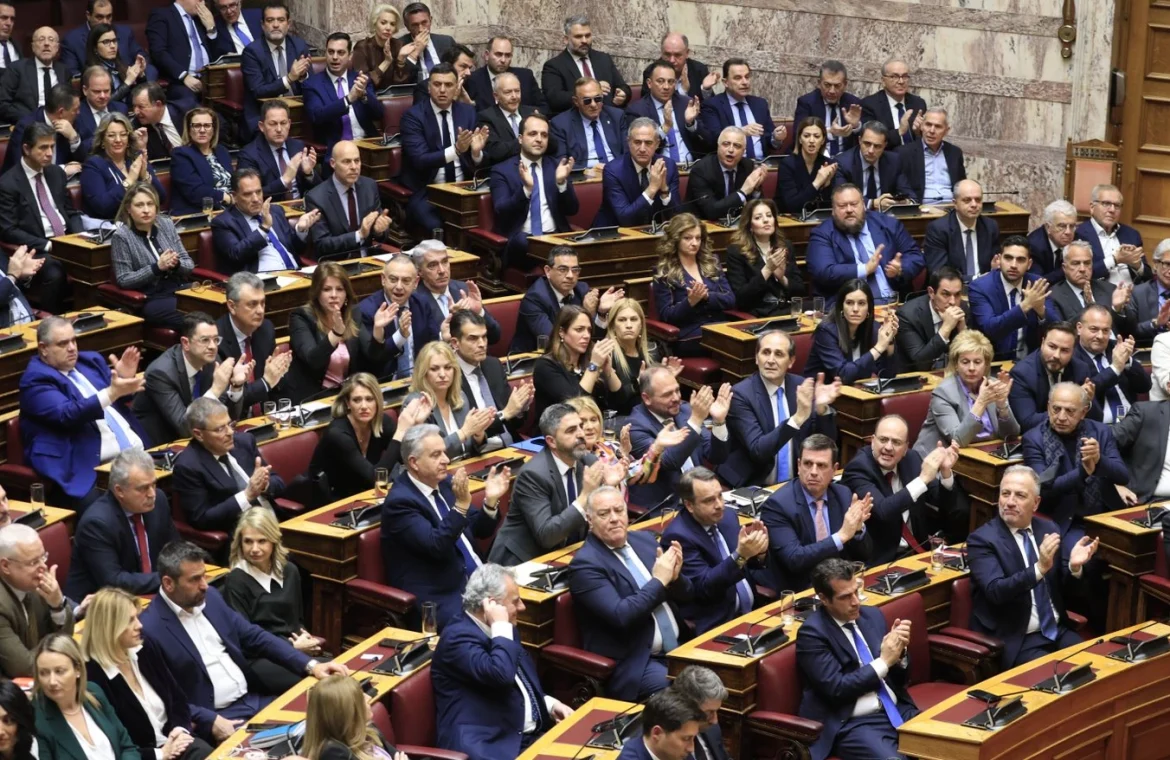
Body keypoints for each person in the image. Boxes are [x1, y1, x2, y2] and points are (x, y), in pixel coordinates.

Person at [141, 541, 348, 739]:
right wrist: (210, 720)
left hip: (254, 698)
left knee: (330, 718)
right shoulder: (150, 629)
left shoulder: (211, 598)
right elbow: (162, 697)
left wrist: (311, 665)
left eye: (204, 576)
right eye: (195, 580)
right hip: (220, 717)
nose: (204, 585)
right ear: (168, 583)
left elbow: (255, 636)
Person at [432, 564, 572, 757]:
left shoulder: (504, 630)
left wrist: (550, 705)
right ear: (491, 605)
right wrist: (500, 625)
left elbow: (519, 681)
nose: (522, 607)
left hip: (523, 735)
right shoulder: (458, 639)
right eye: (515, 601)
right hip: (489, 745)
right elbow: (501, 675)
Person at [568, 486, 693, 701]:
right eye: (604, 514)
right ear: (589, 520)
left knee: (716, 682)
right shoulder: (585, 565)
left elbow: (688, 594)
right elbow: (622, 615)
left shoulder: (645, 541)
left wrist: (675, 578)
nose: (614, 518)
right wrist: (659, 581)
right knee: (683, 696)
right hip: (638, 661)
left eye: (619, 510)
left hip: (679, 647)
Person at [967, 466, 1099, 668]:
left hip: (1057, 630)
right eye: (1005, 494)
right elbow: (996, 591)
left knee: (1095, 668)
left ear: (1036, 503)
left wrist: (1074, 568)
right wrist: (1039, 569)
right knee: (1055, 678)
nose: (1010, 502)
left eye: (1020, 495)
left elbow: (1065, 592)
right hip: (1018, 638)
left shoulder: (1048, 529)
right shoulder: (982, 540)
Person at [380, 425, 507, 626]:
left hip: (480, 581)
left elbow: (480, 530)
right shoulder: (400, 503)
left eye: (444, 453)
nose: (446, 460)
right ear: (414, 462)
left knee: (519, 606)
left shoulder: (446, 483)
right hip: (442, 595)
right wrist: (461, 506)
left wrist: (490, 502)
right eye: (436, 455)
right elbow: (437, 545)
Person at [796, 558, 919, 760]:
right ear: (824, 599)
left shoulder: (872, 616)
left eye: (856, 591)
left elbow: (900, 681)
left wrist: (899, 654)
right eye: (845, 597)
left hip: (898, 709)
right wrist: (884, 662)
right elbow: (837, 689)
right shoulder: (812, 634)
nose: (856, 601)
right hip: (854, 723)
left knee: (948, 746)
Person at [19, 317, 145, 509]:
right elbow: (67, 414)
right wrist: (112, 392)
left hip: (134, 454)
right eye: (63, 343)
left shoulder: (90, 361)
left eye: (73, 340)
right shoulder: (35, 380)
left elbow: (116, 400)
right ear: (43, 348)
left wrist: (124, 379)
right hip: (85, 467)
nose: (72, 348)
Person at [81, 588, 212, 760]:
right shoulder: (92, 678)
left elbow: (177, 699)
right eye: (130, 620)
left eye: (137, 617)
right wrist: (160, 754)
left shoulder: (144, 648)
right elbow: (114, 745)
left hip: (177, 743)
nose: (139, 625)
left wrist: (179, 730)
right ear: (109, 627)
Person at [720, 330, 840, 488]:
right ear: (756, 358)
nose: (770, 360)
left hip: (796, 484)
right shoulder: (741, 394)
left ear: (791, 361)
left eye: (778, 354)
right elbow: (758, 451)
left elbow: (826, 446)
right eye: (765, 352)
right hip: (752, 484)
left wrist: (821, 409)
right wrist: (797, 419)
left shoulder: (801, 387)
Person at [660, 468, 768, 635]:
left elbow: (743, 564)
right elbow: (705, 587)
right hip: (717, 622)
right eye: (709, 500)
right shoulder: (678, 536)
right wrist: (741, 555)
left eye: (720, 496)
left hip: (753, 614)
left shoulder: (728, 516)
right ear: (689, 505)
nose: (719, 505)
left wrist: (758, 553)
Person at [486, 403, 597, 565]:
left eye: (580, 426)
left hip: (566, 554)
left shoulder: (588, 462)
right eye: (571, 430)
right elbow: (547, 535)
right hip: (522, 562)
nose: (581, 433)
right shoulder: (533, 475)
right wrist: (585, 496)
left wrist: (610, 485)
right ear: (551, 441)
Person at [761, 433, 873, 591]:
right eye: (808, 464)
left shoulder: (843, 495)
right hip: (801, 589)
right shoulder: (778, 505)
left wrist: (858, 530)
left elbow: (865, 555)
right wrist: (841, 536)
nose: (813, 472)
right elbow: (794, 559)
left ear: (834, 470)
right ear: (799, 466)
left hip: (841, 585)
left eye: (821, 465)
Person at [64, 447, 179, 601]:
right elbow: (114, 581)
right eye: (143, 488)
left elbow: (174, 547)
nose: (152, 494)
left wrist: (186, 568)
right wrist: (169, 578)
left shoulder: (159, 501)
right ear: (119, 491)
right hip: (103, 604)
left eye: (153, 484)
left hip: (146, 594)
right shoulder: (97, 524)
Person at [842, 415, 958, 564]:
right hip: (881, 561)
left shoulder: (912, 459)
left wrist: (946, 473)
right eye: (883, 439)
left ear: (905, 448)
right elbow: (883, 511)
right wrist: (922, 480)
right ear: (872, 441)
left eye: (896, 442)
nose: (888, 447)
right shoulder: (858, 468)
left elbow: (940, 500)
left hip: (918, 552)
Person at [1022, 381, 1127, 535]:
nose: (1061, 417)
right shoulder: (1033, 439)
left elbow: (1123, 477)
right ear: (1048, 407)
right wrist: (1083, 472)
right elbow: (1043, 489)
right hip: (1067, 519)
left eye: (1070, 411)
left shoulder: (1101, 431)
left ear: (1083, 412)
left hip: (1106, 512)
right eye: (1056, 409)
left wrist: (1099, 459)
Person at [171, 397, 287, 534]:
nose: (230, 432)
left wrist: (264, 485)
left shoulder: (244, 442)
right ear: (199, 434)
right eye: (220, 429)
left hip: (277, 523)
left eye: (230, 424)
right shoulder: (188, 466)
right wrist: (247, 495)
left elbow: (279, 483)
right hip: (241, 536)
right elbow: (201, 519)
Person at [308, 374, 431, 503]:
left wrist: (417, 426)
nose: (364, 406)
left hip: (364, 495)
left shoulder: (383, 423)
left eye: (369, 399)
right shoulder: (337, 434)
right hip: (330, 501)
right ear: (348, 403)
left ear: (377, 401)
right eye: (357, 400)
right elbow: (375, 478)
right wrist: (400, 432)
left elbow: (408, 459)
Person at [282, 262, 392, 404]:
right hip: (311, 398)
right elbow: (313, 360)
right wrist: (335, 334)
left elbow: (372, 357)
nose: (334, 295)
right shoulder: (301, 317)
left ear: (346, 294)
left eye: (339, 289)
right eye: (327, 289)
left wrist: (378, 330)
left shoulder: (353, 314)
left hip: (346, 396)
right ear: (317, 293)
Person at [133, 313, 246, 444]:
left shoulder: (212, 361)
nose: (213, 346)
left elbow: (227, 417)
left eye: (216, 340)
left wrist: (236, 387)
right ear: (186, 343)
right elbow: (185, 429)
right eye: (205, 340)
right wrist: (215, 390)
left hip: (198, 440)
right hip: (161, 445)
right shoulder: (160, 373)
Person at [222, 509, 322, 657]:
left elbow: (297, 621)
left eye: (262, 541)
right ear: (240, 543)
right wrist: (291, 647)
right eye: (248, 541)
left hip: (294, 649)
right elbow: (244, 639)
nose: (254, 549)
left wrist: (304, 636)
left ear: (273, 541)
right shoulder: (236, 581)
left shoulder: (290, 570)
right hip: (261, 656)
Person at [0, 123, 78, 313]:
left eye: (52, 147)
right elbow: (8, 230)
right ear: (26, 149)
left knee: (99, 262)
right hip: (38, 248)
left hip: (69, 242)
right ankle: (52, 319)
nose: (49, 153)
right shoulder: (8, 183)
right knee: (55, 271)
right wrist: (47, 245)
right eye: (43, 147)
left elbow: (70, 212)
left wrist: (82, 238)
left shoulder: (56, 173)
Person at [627, 367, 731, 507]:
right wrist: (696, 420)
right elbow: (669, 462)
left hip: (701, 498)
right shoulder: (636, 426)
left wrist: (719, 421)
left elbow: (716, 457)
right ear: (647, 398)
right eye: (667, 394)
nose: (676, 398)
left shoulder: (685, 410)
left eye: (677, 390)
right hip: (666, 506)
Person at [806, 184, 924, 307]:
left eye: (854, 204)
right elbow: (824, 271)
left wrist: (900, 269)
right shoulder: (822, 234)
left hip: (894, 304)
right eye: (842, 206)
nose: (849, 210)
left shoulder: (889, 224)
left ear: (863, 205)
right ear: (833, 210)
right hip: (848, 309)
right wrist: (865, 269)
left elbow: (915, 255)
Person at [399, 62, 484, 232]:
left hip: (463, 189)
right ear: (429, 87)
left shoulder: (468, 112)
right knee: (436, 227)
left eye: (448, 85)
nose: (443, 90)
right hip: (428, 191)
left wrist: (476, 153)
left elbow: (479, 159)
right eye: (437, 84)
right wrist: (456, 150)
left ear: (457, 88)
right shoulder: (413, 116)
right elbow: (420, 160)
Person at [31, 634, 140, 760]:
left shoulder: (94, 692)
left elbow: (127, 747)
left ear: (78, 669)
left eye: (59, 671)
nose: (52, 681)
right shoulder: (36, 718)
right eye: (44, 673)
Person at [490, 112, 578, 265]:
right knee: (524, 241)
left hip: (554, 239)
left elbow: (572, 210)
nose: (539, 139)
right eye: (533, 134)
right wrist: (526, 190)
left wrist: (561, 183)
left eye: (544, 135)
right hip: (521, 244)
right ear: (520, 138)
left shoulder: (556, 167)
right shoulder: (502, 170)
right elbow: (501, 211)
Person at [914, 329, 1019, 453]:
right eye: (965, 362)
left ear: (986, 365)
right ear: (956, 365)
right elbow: (957, 440)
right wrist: (981, 403)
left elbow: (1011, 436)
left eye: (977, 362)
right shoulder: (943, 393)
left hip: (985, 456)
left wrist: (1002, 406)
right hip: (938, 458)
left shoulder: (992, 385)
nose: (971, 368)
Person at [110, 182, 194, 331]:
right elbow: (124, 279)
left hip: (179, 289)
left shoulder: (166, 224)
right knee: (196, 319)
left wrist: (176, 264)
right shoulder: (122, 236)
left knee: (215, 306)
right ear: (128, 208)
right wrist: (156, 268)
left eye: (150, 204)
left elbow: (189, 264)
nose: (146, 210)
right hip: (153, 298)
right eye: (139, 205)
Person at [651, 214, 735, 353]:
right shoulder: (664, 271)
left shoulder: (712, 262)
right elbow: (666, 316)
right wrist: (690, 302)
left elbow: (730, 299)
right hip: (689, 333)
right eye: (688, 238)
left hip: (718, 326)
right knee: (733, 346)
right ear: (676, 239)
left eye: (698, 238)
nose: (694, 243)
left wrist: (707, 296)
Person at [450, 311, 533, 451]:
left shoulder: (493, 365)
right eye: (473, 339)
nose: (482, 344)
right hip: (477, 453)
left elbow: (514, 424)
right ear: (455, 343)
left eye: (484, 337)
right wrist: (505, 413)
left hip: (511, 448)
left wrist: (520, 408)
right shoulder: (448, 376)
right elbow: (467, 433)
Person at [511, 247, 618, 354]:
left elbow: (593, 338)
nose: (570, 276)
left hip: (574, 356)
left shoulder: (582, 290)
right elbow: (553, 342)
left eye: (575, 270)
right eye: (563, 269)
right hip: (532, 358)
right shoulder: (535, 299)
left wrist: (601, 313)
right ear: (548, 271)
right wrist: (586, 314)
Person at [0, 524, 74, 678]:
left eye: (43, 557)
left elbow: (68, 635)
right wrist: (56, 642)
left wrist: (57, 605)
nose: (43, 567)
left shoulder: (34, 583)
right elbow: (25, 667)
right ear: (5, 566)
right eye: (33, 562)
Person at [212, 168, 317, 274]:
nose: (256, 199)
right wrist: (264, 228)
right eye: (248, 194)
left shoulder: (275, 211)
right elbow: (236, 254)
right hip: (260, 280)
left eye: (258, 192)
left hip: (295, 275)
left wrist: (300, 230)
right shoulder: (223, 222)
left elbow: (296, 249)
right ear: (235, 196)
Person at [404, 341, 495, 460]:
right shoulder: (416, 403)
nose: (442, 374)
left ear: (455, 370)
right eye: (434, 369)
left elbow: (470, 450)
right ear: (423, 373)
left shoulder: (460, 397)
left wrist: (478, 434)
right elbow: (430, 454)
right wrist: (464, 432)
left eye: (447, 368)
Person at [532, 305, 621, 422]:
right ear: (562, 332)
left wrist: (609, 372)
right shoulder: (545, 366)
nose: (586, 335)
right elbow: (575, 407)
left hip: (596, 426)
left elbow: (622, 404)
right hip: (561, 429)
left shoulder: (588, 360)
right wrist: (594, 365)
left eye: (589, 330)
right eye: (579, 330)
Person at [216, 272, 291, 412]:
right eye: (252, 304)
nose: (260, 310)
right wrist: (266, 382)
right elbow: (225, 401)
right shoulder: (216, 340)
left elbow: (275, 388)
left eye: (263, 303)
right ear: (232, 306)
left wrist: (279, 373)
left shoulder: (266, 329)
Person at [967, 236, 1050, 359]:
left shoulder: (1037, 284)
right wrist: (1025, 306)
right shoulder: (980, 287)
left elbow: (1056, 326)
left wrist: (1041, 312)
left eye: (1020, 260)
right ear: (999, 260)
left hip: (1030, 361)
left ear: (1029, 264)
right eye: (1008, 258)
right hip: (991, 361)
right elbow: (990, 328)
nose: (1013, 265)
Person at [304, 140, 390, 258]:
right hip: (336, 265)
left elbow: (380, 233)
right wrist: (359, 235)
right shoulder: (316, 197)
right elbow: (322, 245)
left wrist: (379, 230)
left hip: (368, 261)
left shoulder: (369, 186)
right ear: (333, 163)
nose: (354, 167)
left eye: (357, 161)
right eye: (347, 162)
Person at [239, 2, 312, 140]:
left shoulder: (299, 46)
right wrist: (289, 78)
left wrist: (302, 76)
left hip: (297, 113)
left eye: (281, 20)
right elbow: (258, 91)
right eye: (270, 20)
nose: (276, 25)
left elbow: (313, 85)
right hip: (263, 115)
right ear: (262, 25)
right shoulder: (252, 52)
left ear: (288, 24)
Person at [804, 278, 898, 385]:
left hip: (857, 391)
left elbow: (887, 376)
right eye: (849, 303)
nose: (855, 309)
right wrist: (879, 347)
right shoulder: (826, 331)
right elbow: (843, 375)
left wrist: (889, 343)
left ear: (869, 308)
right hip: (822, 392)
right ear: (841, 307)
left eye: (861, 303)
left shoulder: (874, 328)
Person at [410, 240, 501, 347]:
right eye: (432, 265)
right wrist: (443, 337)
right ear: (420, 272)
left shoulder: (463, 289)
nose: (442, 270)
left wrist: (479, 313)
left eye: (445, 262)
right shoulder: (415, 301)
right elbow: (418, 349)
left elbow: (494, 337)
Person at [594, 117, 681, 228]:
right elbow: (625, 218)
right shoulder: (613, 171)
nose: (642, 149)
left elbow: (677, 217)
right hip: (615, 233)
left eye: (648, 143)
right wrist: (652, 189)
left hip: (653, 232)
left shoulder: (668, 166)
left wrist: (664, 190)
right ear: (629, 142)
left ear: (657, 144)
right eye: (637, 142)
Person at [1008, 321, 1097, 429]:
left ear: (1073, 351)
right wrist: (1072, 406)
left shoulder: (1080, 369)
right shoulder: (1022, 373)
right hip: (1038, 435)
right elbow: (1028, 422)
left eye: (1064, 350)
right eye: (1052, 347)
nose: (1056, 355)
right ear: (1042, 343)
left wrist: (1087, 402)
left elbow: (1096, 419)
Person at [80, 111, 167, 221]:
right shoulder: (93, 165)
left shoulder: (136, 158)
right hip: (112, 225)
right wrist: (129, 181)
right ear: (102, 140)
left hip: (143, 222)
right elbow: (102, 206)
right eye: (111, 135)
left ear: (129, 138)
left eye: (123, 135)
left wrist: (145, 176)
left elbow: (161, 198)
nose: (118, 140)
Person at [302, 33, 380, 154]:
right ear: (325, 53)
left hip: (367, 147)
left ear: (350, 56)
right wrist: (348, 99)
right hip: (337, 150)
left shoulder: (360, 79)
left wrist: (364, 95)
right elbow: (317, 116)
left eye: (341, 53)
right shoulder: (312, 84)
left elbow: (379, 114)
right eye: (331, 52)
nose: (335, 57)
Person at [145, 0, 229, 112]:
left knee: (230, 101)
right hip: (180, 81)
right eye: (199, 0)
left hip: (209, 80)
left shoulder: (201, 19)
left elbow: (216, 54)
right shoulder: (162, 15)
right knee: (193, 108)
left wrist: (211, 29)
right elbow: (158, 52)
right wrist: (184, 76)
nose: (203, 3)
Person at [724, 199, 803, 317]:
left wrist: (782, 278)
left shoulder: (785, 246)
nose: (766, 220)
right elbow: (741, 299)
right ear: (749, 226)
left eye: (769, 216)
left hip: (788, 310)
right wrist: (767, 270)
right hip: (760, 314)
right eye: (758, 218)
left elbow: (800, 290)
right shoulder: (737, 251)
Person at [300, 676, 409, 760]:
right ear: (348, 712)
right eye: (361, 697)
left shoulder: (368, 729)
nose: (368, 697)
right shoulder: (334, 753)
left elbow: (399, 755)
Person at [696, 59, 786, 159]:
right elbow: (713, 140)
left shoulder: (760, 104)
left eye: (747, 77)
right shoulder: (712, 105)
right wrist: (740, 132)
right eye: (738, 78)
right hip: (731, 164)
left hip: (762, 163)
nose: (745, 82)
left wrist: (776, 137)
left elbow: (769, 140)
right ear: (725, 82)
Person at [541, 15, 630, 114]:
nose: (584, 41)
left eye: (587, 36)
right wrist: (593, 90)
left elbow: (623, 86)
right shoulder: (554, 66)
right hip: (576, 118)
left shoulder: (603, 59)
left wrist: (623, 94)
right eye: (578, 36)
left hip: (609, 116)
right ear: (566, 39)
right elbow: (555, 99)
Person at [1076, 304, 1150, 422]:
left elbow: (1144, 386)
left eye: (1106, 330)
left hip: (1133, 421)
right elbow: (1083, 392)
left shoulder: (1116, 348)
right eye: (1094, 329)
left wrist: (1127, 361)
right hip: (1098, 425)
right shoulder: (1071, 355)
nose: (1100, 336)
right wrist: (1115, 368)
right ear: (1079, 328)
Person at [236, 100, 322, 202]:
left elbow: (320, 190)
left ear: (289, 124)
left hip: (301, 206)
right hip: (270, 208)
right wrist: (284, 180)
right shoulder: (248, 155)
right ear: (261, 126)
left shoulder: (297, 146)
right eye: (273, 124)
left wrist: (308, 173)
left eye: (283, 123)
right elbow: (250, 196)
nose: (279, 129)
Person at [1045, 240, 1138, 333]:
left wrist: (1117, 309)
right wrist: (1089, 308)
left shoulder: (1109, 289)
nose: (1082, 269)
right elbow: (1062, 332)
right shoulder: (1054, 296)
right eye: (1076, 263)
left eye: (1087, 263)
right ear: (1064, 268)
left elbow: (1132, 330)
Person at [624, 60, 704, 166]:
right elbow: (636, 150)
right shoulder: (637, 110)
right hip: (657, 168)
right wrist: (665, 128)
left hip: (691, 167)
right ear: (649, 83)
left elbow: (706, 142)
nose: (666, 87)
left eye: (671, 82)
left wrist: (691, 124)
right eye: (660, 81)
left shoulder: (686, 103)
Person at [894, 266, 970, 371]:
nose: (953, 302)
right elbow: (921, 364)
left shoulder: (963, 309)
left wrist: (963, 330)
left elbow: (972, 358)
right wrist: (946, 328)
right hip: (915, 377)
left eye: (957, 294)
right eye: (946, 294)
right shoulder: (907, 316)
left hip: (952, 374)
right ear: (931, 292)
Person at [922, 179, 998, 281]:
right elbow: (939, 272)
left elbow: (996, 264)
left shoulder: (990, 227)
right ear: (955, 203)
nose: (974, 204)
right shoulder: (938, 229)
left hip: (985, 286)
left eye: (978, 200)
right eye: (967, 200)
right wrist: (976, 278)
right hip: (953, 288)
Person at [686, 126, 768, 221]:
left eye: (737, 146)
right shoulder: (701, 170)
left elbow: (758, 208)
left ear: (744, 151)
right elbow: (711, 211)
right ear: (718, 146)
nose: (731, 150)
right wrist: (743, 192)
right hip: (703, 225)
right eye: (726, 144)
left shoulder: (748, 167)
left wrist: (756, 189)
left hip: (739, 225)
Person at [830, 121, 914, 213]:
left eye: (877, 146)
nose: (871, 150)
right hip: (854, 215)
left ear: (885, 145)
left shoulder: (894, 161)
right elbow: (842, 197)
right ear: (859, 140)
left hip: (885, 216)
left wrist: (904, 202)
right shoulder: (843, 163)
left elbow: (909, 194)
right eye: (867, 144)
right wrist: (872, 203)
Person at [1076, 183, 1151, 285]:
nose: (1112, 210)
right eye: (1106, 204)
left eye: (1117, 206)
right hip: (1099, 292)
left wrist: (1137, 265)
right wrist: (1115, 259)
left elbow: (1148, 277)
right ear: (1092, 207)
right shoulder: (1079, 234)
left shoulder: (1132, 234)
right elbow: (1079, 274)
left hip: (1133, 292)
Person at [3, 83, 85, 175]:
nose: (78, 112)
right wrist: (62, 170)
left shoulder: (70, 123)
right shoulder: (25, 127)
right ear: (61, 112)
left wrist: (73, 138)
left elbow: (83, 161)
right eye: (75, 109)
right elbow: (23, 171)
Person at [547, 77, 625, 173]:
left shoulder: (616, 117)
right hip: (584, 176)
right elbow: (562, 162)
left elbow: (628, 153)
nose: (593, 104)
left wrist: (612, 168)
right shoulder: (561, 124)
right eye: (587, 100)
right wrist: (589, 171)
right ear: (576, 101)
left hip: (618, 173)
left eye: (598, 99)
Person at [793, 60, 863, 159]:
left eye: (837, 86)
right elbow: (798, 135)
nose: (832, 91)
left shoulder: (854, 104)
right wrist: (830, 132)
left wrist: (856, 126)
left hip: (846, 160)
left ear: (845, 84)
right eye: (827, 85)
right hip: (815, 157)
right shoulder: (807, 102)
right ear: (819, 83)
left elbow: (865, 140)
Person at [170, 108, 234, 215]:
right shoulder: (181, 155)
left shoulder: (221, 151)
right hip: (198, 213)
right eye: (197, 126)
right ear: (189, 129)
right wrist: (227, 198)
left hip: (228, 210)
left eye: (207, 125)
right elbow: (195, 192)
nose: (202, 130)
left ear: (214, 129)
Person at [603, 298, 660, 416]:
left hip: (651, 414)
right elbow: (616, 402)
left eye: (633, 319)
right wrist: (637, 384)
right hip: (622, 417)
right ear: (612, 325)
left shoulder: (651, 350)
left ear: (641, 324)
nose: (629, 325)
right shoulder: (607, 354)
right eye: (622, 320)